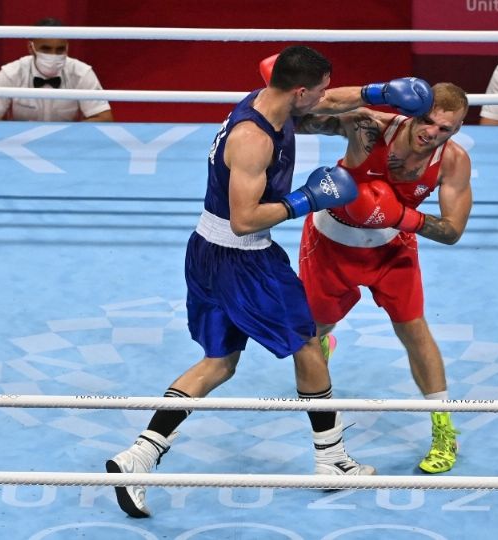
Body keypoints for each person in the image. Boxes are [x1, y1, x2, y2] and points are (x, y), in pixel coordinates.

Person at [105, 45, 434, 518]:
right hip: (244, 258)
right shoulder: (254, 139)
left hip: (206, 251)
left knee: (218, 363)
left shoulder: (272, 100)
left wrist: (377, 92)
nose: (324, 97)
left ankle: (138, 456)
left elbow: (333, 101)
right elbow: (243, 219)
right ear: (299, 90)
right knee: (307, 345)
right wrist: (307, 199)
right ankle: (333, 459)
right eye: (317, 90)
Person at [296, 82, 472, 474]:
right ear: (414, 112)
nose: (432, 133)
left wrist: (401, 216)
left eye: (445, 129)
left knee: (415, 332)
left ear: (457, 130)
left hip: (392, 248)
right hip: (330, 243)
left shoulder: (453, 161)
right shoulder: (370, 126)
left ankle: (444, 429)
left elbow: (453, 230)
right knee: (314, 331)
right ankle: (324, 343)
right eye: (427, 121)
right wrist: (369, 93)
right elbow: (300, 118)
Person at [0, 17, 113, 122]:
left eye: (60, 49)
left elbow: (104, 118)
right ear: (31, 48)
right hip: (20, 144)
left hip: (67, 147)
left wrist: (67, 134)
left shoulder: (81, 73)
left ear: (67, 48)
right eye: (46, 49)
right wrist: (13, 135)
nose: (53, 55)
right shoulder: (12, 73)